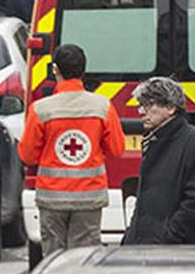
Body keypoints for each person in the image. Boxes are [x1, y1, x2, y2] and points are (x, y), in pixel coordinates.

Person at [18, 44, 125, 257]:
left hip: (52, 198)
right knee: (84, 258)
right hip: (89, 198)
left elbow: (27, 155)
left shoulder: (41, 109)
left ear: (55, 70)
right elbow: (116, 150)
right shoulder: (102, 106)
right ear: (83, 71)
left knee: (53, 259)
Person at [123, 77, 195, 245]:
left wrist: (169, 238)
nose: (141, 112)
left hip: (174, 253)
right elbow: (145, 201)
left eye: (149, 105)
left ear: (170, 108)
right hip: (145, 248)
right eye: (140, 105)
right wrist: (130, 237)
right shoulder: (153, 140)